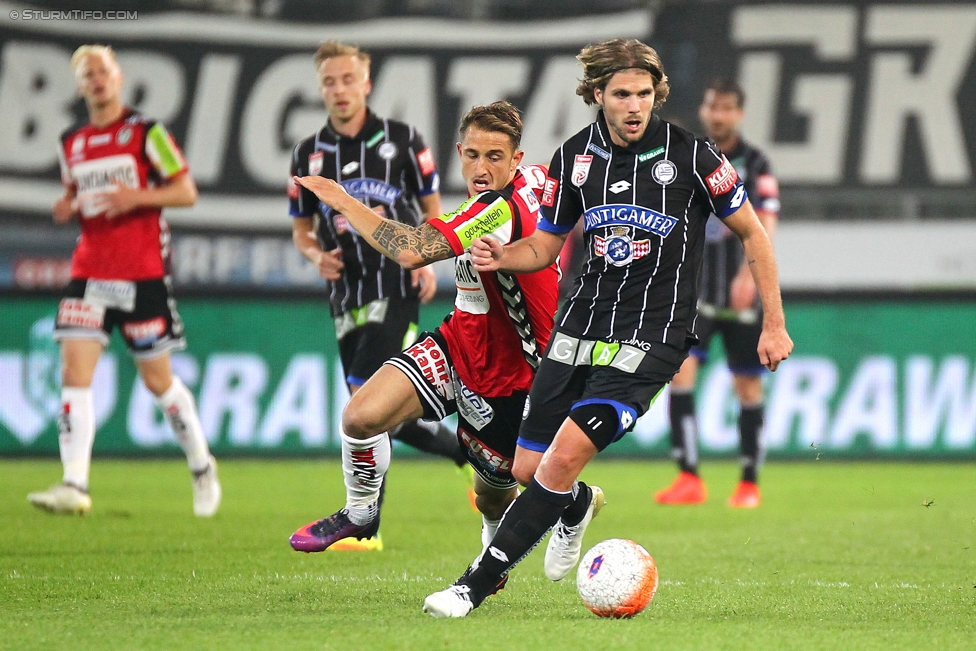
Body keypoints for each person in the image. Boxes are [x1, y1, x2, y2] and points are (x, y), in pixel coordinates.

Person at [422, 38, 793, 618]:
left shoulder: (692, 156)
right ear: (598, 95)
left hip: (653, 335)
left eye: (644, 93)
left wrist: (774, 322)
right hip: (578, 327)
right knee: (525, 469)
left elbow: (753, 233)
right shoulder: (574, 158)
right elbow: (545, 246)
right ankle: (572, 510)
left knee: (562, 459)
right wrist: (504, 254)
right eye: (621, 94)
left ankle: (472, 585)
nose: (634, 105)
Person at [288, 101, 560, 572]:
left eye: (495, 157)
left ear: (516, 159)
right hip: (458, 343)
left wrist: (344, 201)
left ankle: (499, 560)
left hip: (512, 374)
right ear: (458, 152)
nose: (481, 167)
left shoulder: (498, 210)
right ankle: (360, 514)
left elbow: (412, 251)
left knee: (494, 498)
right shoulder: (537, 179)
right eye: (472, 154)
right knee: (360, 416)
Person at [289, 41, 469, 550]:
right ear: (321, 87)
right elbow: (302, 228)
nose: (340, 89)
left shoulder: (404, 141)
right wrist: (312, 255)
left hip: (397, 283)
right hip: (346, 291)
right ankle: (464, 452)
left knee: (367, 390)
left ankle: (365, 524)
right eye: (330, 81)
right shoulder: (308, 153)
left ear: (366, 83)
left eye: (349, 79)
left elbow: (435, 211)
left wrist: (432, 260)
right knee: (368, 410)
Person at [27, 44, 221, 517]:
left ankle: (200, 464)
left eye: (104, 71)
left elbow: (186, 191)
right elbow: (79, 195)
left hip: (142, 274)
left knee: (160, 384)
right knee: (74, 374)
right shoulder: (70, 142)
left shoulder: (145, 132)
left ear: (118, 78)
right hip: (89, 273)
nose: (97, 80)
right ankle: (75, 483)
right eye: (88, 74)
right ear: (80, 85)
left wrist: (136, 196)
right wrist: (68, 206)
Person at [655, 79, 781, 509]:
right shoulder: (692, 156)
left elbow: (764, 222)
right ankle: (689, 477)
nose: (719, 115)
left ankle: (749, 483)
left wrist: (751, 274)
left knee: (747, 385)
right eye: (713, 106)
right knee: (680, 375)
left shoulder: (756, 162)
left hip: (740, 290)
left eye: (727, 108)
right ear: (705, 110)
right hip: (695, 291)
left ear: (739, 114)